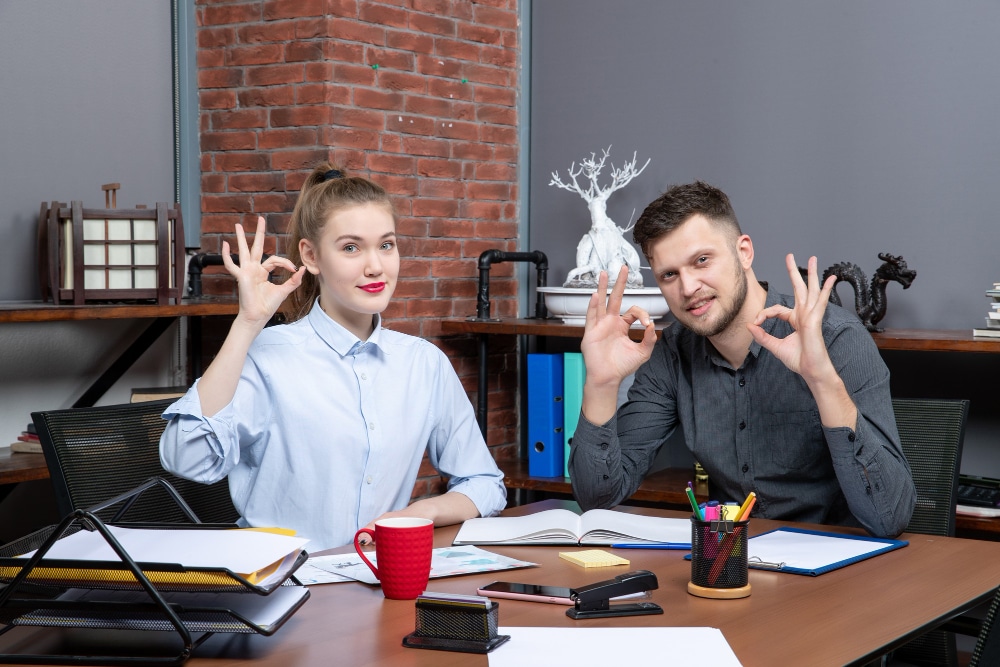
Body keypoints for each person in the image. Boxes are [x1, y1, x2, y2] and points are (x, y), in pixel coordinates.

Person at [159, 164, 506, 550]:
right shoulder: (267, 356)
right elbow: (185, 458)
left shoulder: (424, 364)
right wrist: (247, 324)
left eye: (386, 245)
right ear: (311, 255)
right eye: (351, 248)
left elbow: (484, 484)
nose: (375, 266)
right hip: (282, 586)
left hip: (377, 581)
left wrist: (420, 513)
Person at [568, 181, 915, 537]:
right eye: (669, 275)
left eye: (702, 260)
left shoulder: (836, 337)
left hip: (842, 572)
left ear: (744, 252)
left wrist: (822, 379)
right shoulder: (672, 352)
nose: (688, 288)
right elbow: (598, 498)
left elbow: (889, 517)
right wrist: (601, 383)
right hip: (730, 564)